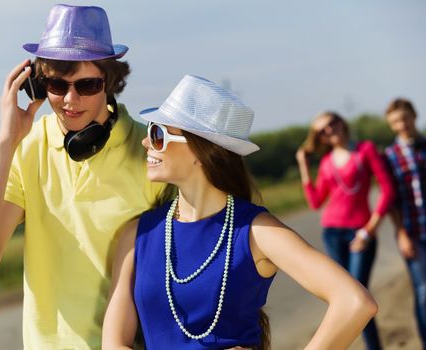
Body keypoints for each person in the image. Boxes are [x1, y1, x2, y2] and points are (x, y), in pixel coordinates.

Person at [102, 74, 378, 349]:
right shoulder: (138, 233)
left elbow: (354, 302)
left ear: (201, 151)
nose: (146, 143)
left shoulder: (257, 231)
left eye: (158, 134)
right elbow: (113, 344)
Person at [0, 5, 168, 349]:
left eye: (87, 85)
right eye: (56, 84)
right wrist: (6, 141)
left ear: (110, 82)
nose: (70, 99)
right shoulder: (26, 149)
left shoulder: (152, 154)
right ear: (36, 84)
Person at [296, 111, 395, 349]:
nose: (329, 130)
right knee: (346, 298)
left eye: (331, 124)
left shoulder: (366, 150)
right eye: (322, 130)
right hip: (332, 233)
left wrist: (368, 231)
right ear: (319, 137)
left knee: (359, 298)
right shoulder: (327, 161)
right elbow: (315, 202)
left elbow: (388, 190)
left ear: (341, 123)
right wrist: (303, 166)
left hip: (360, 233)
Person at [383, 98, 426, 347]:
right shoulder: (389, 155)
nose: (402, 124)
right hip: (411, 230)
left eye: (405, 118)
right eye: (396, 121)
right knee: (423, 292)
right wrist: (400, 233)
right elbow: (392, 200)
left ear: (414, 116)